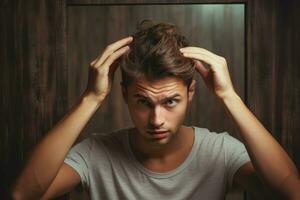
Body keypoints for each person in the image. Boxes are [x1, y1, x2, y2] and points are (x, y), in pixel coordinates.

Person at [12, 20, 300, 200]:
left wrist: (229, 96)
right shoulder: (96, 153)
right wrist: (91, 97)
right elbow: (23, 194)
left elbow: (291, 192)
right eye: (143, 102)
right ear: (124, 95)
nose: (156, 119)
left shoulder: (220, 151)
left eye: (170, 101)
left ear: (191, 93)